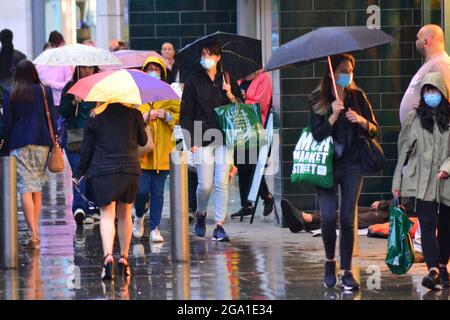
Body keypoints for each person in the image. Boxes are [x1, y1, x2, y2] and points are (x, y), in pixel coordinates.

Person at [310, 53, 380, 291]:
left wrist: (360, 120)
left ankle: (347, 271)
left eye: (350, 70)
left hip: (352, 164)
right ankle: (330, 262)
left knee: (348, 218)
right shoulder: (319, 99)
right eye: (343, 70)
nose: (347, 75)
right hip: (326, 165)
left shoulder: (358, 97)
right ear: (332, 72)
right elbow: (316, 135)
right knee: (329, 217)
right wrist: (333, 115)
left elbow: (374, 128)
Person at [74, 102, 147, 280]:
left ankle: (108, 257)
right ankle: (124, 258)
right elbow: (143, 141)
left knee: (107, 215)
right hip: (129, 170)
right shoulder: (134, 114)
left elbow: (87, 148)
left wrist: (79, 173)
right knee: (125, 215)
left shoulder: (95, 116)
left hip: (103, 171)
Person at [180, 40, 243, 242]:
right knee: (204, 185)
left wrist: (230, 93)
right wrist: (190, 140)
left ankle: (219, 225)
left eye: (210, 55)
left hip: (225, 137)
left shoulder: (226, 78)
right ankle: (200, 213)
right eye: (203, 55)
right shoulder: (193, 80)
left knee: (221, 183)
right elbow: (186, 113)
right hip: (201, 136)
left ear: (218, 57)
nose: (206, 59)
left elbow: (240, 109)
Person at [392, 72, 450, 291]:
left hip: (446, 181)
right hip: (422, 181)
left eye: (434, 90)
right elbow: (403, 152)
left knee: (446, 228)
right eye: (426, 91)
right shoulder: (414, 120)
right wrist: (397, 182)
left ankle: (443, 265)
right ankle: (433, 269)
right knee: (427, 225)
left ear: (442, 93)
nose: (430, 95)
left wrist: (446, 168)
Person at [2, 60, 58, 249]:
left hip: (19, 143)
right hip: (42, 142)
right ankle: (35, 232)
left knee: (25, 188)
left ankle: (33, 233)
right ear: (34, 73)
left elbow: (7, 123)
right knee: (37, 186)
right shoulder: (44, 91)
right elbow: (52, 116)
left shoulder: (11, 92)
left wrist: (4, 140)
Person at [133, 56, 180, 242]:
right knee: (142, 190)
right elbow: (130, 117)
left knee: (158, 192)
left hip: (162, 152)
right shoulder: (137, 94)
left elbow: (180, 114)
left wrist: (167, 116)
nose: (153, 71)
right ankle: (138, 216)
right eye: (150, 68)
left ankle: (155, 228)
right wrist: (144, 116)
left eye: (157, 69)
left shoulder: (169, 93)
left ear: (162, 72)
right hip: (143, 152)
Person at [60, 66, 100, 226]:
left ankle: (92, 207)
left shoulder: (99, 86)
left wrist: (99, 107)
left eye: (90, 68)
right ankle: (79, 208)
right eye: (83, 68)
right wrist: (73, 102)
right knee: (79, 171)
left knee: (91, 173)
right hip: (74, 138)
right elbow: (62, 111)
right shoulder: (71, 87)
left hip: (95, 137)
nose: (87, 71)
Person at [231, 69, 274, 219]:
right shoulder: (239, 80)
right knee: (242, 165)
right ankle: (246, 204)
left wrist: (242, 100)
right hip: (240, 127)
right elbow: (231, 101)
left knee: (252, 164)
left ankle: (266, 196)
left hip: (256, 127)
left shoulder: (263, 78)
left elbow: (260, 104)